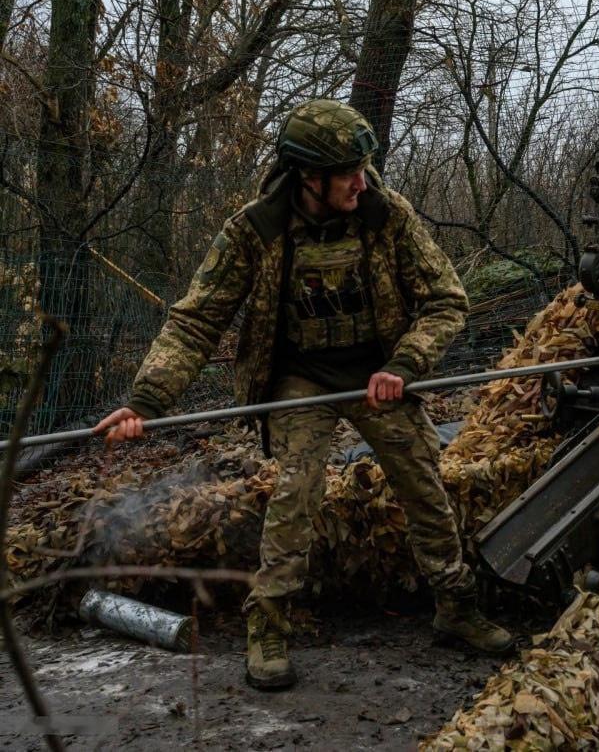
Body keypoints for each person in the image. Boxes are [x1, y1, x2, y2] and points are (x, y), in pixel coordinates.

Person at [93, 99, 514, 690]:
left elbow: (447, 299)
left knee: (423, 477)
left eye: (363, 169)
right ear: (307, 177)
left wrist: (406, 362)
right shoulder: (254, 230)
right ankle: (267, 624)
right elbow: (195, 322)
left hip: (377, 372)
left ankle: (457, 605)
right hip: (299, 379)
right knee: (296, 488)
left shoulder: (386, 215)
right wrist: (147, 402)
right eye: (348, 172)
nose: (361, 182)